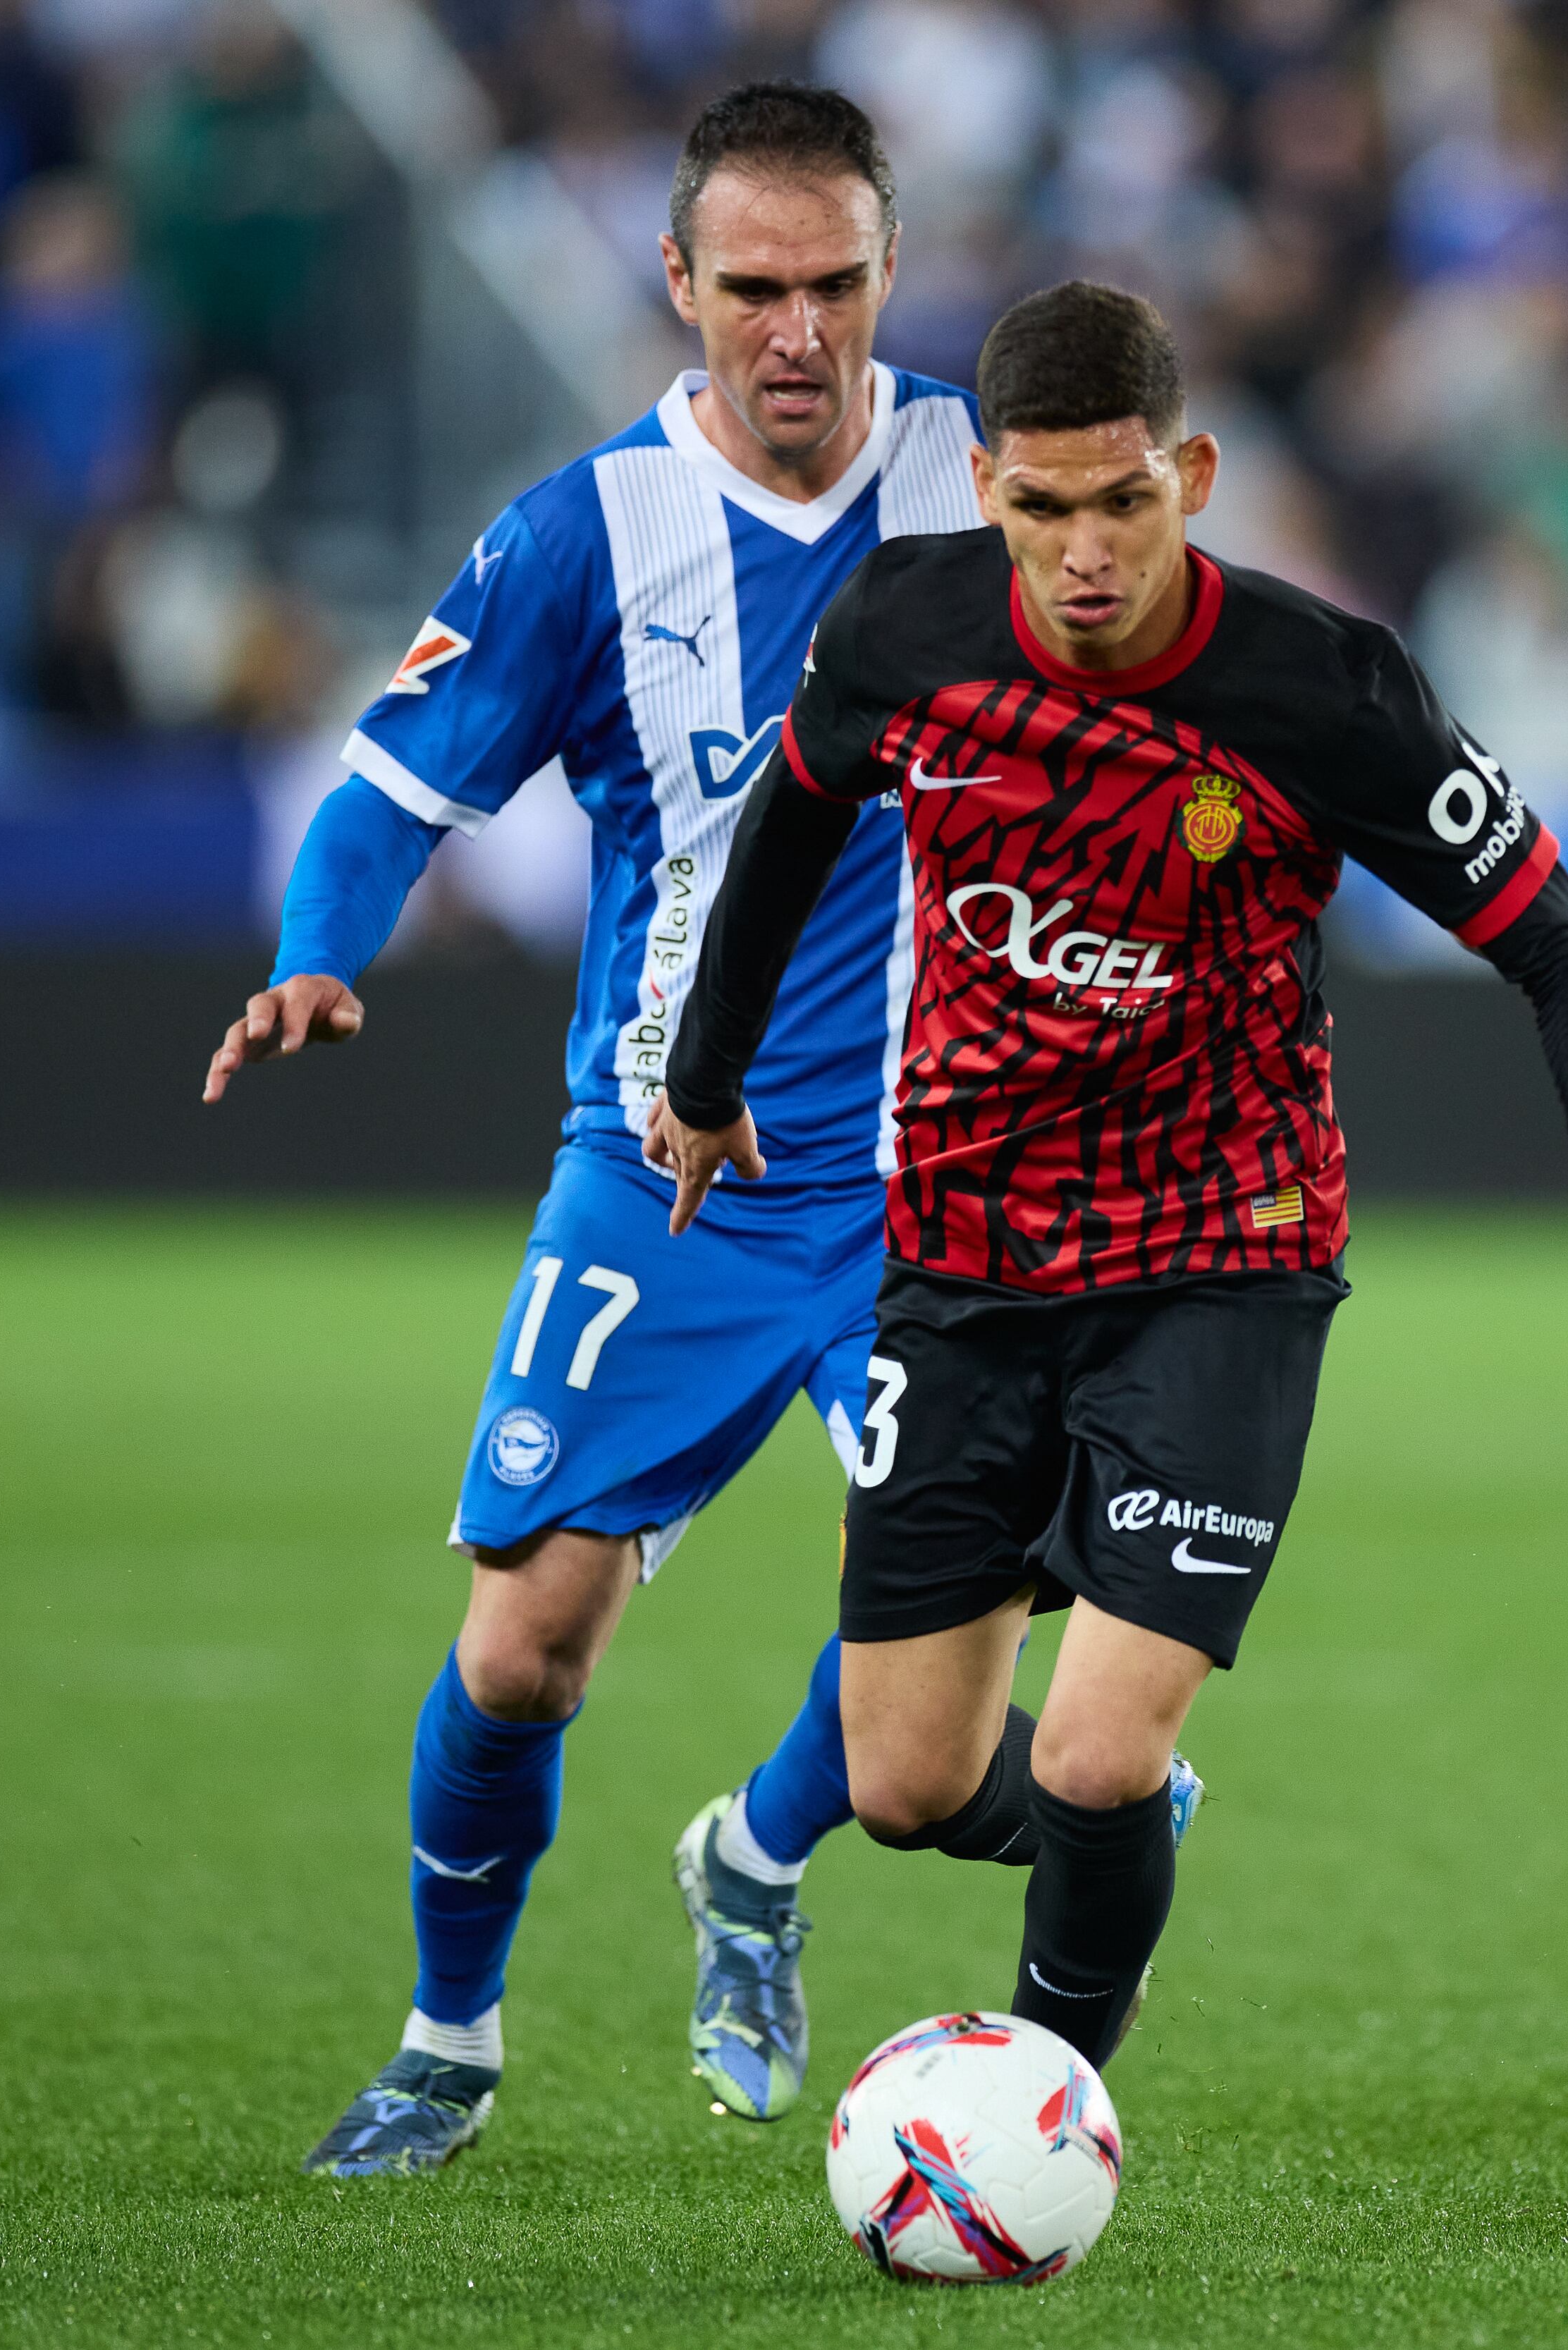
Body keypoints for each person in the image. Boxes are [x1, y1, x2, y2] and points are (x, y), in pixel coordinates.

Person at [650, 281, 1568, 2070]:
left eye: (1125, 501)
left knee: (1097, 1754)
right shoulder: (905, 624)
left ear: (1196, 476)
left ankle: (1046, 2098)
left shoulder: (1324, 687)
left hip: (1221, 1255)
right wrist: (705, 1078)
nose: (1086, 552)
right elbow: (789, 819)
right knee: (907, 1777)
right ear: (985, 487)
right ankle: (1098, 1869)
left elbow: (1555, 941)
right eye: (1043, 507)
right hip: (965, 1255)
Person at [198, 82, 984, 2174]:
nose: (799, 331)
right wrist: (316, 950)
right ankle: (446, 2040)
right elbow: (387, 787)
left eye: (836, 284)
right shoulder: (581, 535)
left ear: (889, 272)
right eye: (756, 287)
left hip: (943, 1193)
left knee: (934, 1677)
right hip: (667, 1175)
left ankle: (757, 1852)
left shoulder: (993, 482)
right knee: (524, 1644)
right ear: (678, 279)